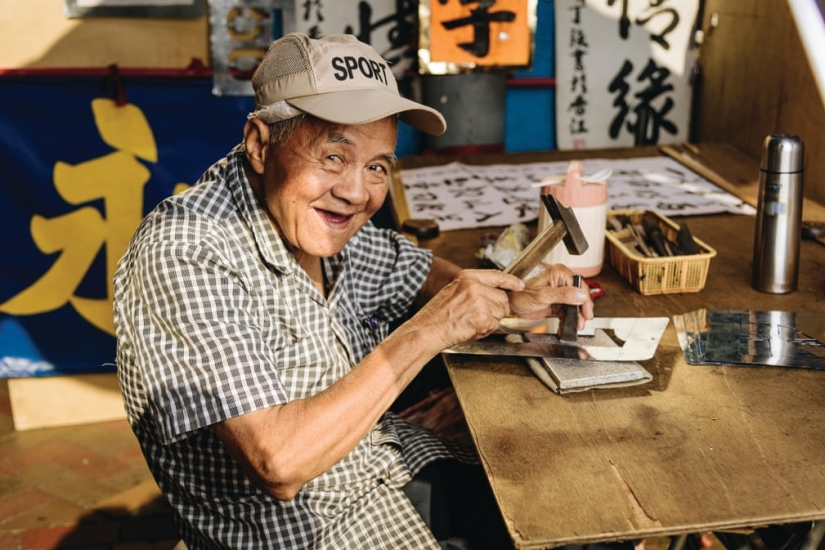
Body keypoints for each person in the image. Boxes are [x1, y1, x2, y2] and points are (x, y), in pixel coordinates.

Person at [113, 32, 594, 549]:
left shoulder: (315, 223)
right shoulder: (187, 251)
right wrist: (428, 331)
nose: (356, 192)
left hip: (378, 473)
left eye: (377, 166)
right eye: (333, 157)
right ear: (259, 144)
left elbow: (411, 267)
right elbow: (279, 463)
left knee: (583, 511)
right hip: (300, 533)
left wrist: (508, 294)